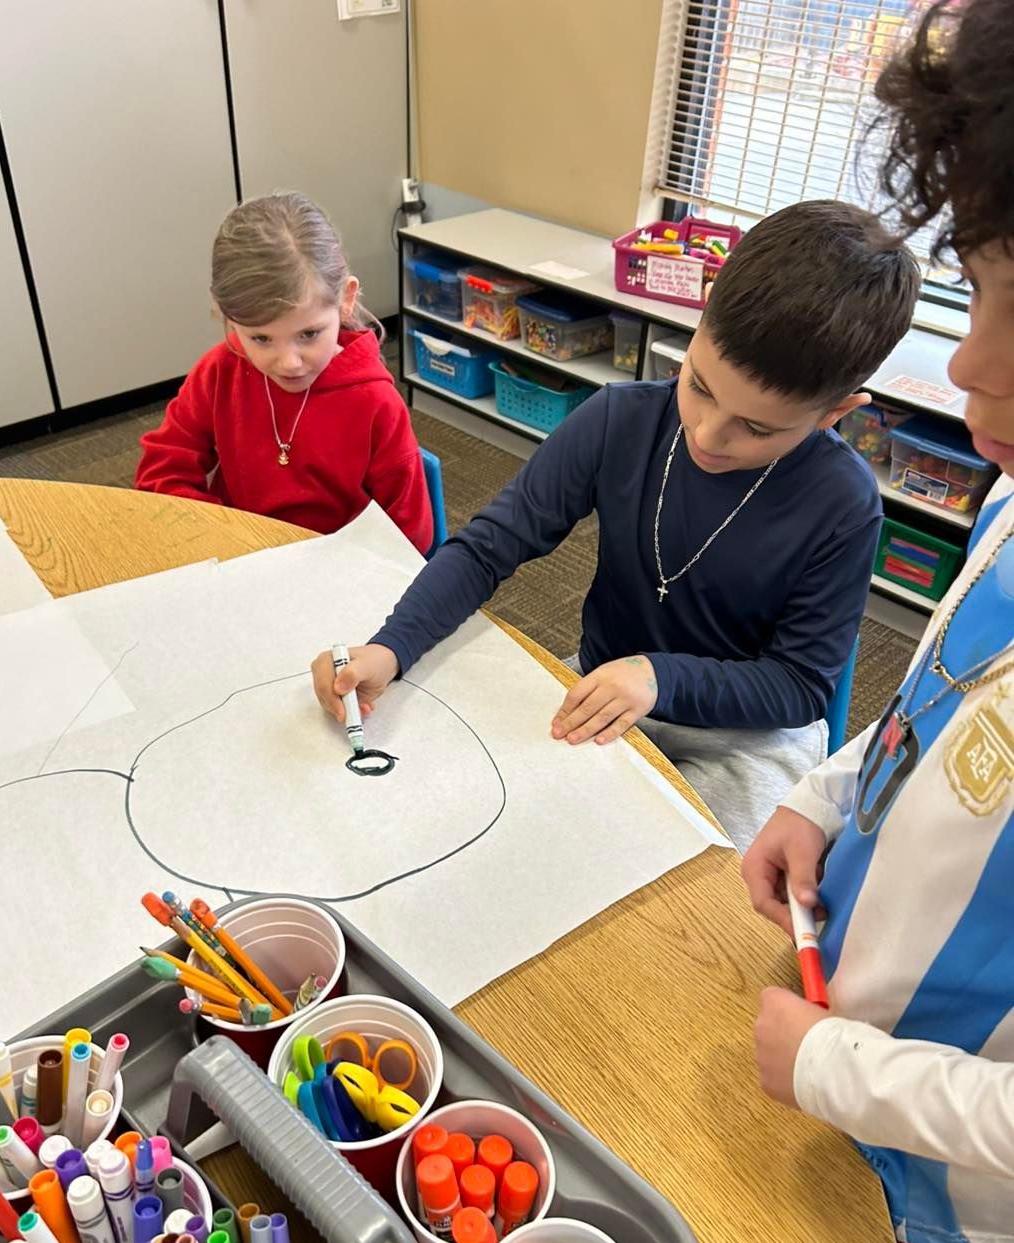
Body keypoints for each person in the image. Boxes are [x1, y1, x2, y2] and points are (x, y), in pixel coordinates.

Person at [311, 200, 919, 849]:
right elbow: (490, 547)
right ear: (699, 319)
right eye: (700, 386)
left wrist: (659, 677)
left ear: (835, 415)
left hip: (745, 736)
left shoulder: (843, 503)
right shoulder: (619, 419)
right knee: (505, 833)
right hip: (603, 687)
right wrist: (392, 647)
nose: (708, 434)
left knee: (696, 892)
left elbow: (798, 686)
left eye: (758, 427)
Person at [743, 0, 1014, 1243]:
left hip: (934, 1154)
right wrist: (833, 794)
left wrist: (843, 1073)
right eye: (983, 290)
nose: (968, 370)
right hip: (835, 1021)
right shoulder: (1011, 496)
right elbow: (942, 706)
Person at [136, 192, 432, 553]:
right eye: (260, 338)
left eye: (309, 334)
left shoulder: (374, 401)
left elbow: (410, 535)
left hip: (338, 570)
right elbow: (162, 471)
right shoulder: (220, 371)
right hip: (237, 555)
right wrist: (227, 538)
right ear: (229, 319)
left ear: (346, 299)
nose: (289, 362)